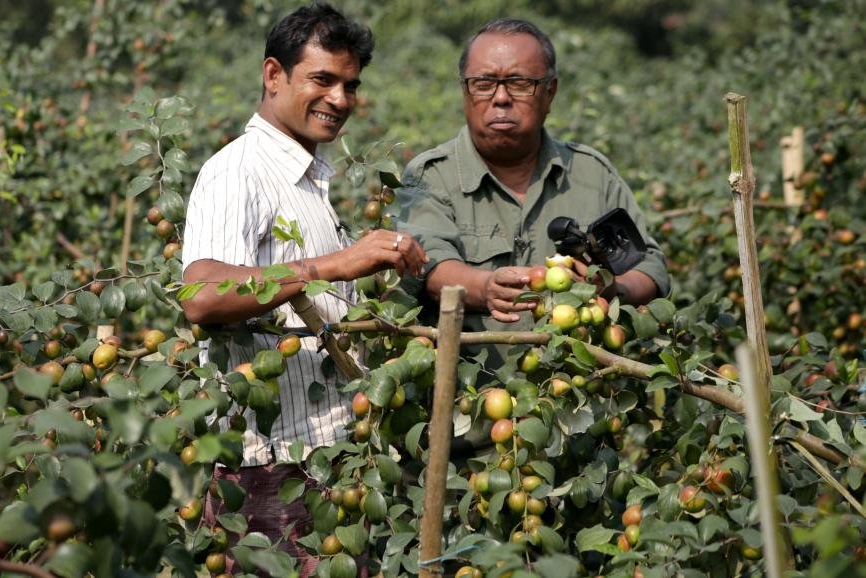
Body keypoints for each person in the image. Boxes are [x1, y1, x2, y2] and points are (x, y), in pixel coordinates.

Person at [180, 4, 427, 575]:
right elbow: (203, 295)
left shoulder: (308, 179)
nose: (340, 99)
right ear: (274, 75)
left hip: (327, 459)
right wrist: (336, 264)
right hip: (269, 469)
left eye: (350, 84)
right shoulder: (237, 171)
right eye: (323, 79)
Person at [396, 17, 670, 369]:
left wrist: (612, 290)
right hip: (472, 401)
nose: (500, 98)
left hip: (581, 396)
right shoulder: (431, 176)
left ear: (550, 92)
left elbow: (649, 265)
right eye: (483, 84)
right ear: (465, 91)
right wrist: (486, 287)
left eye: (520, 83)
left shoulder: (591, 174)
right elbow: (428, 265)